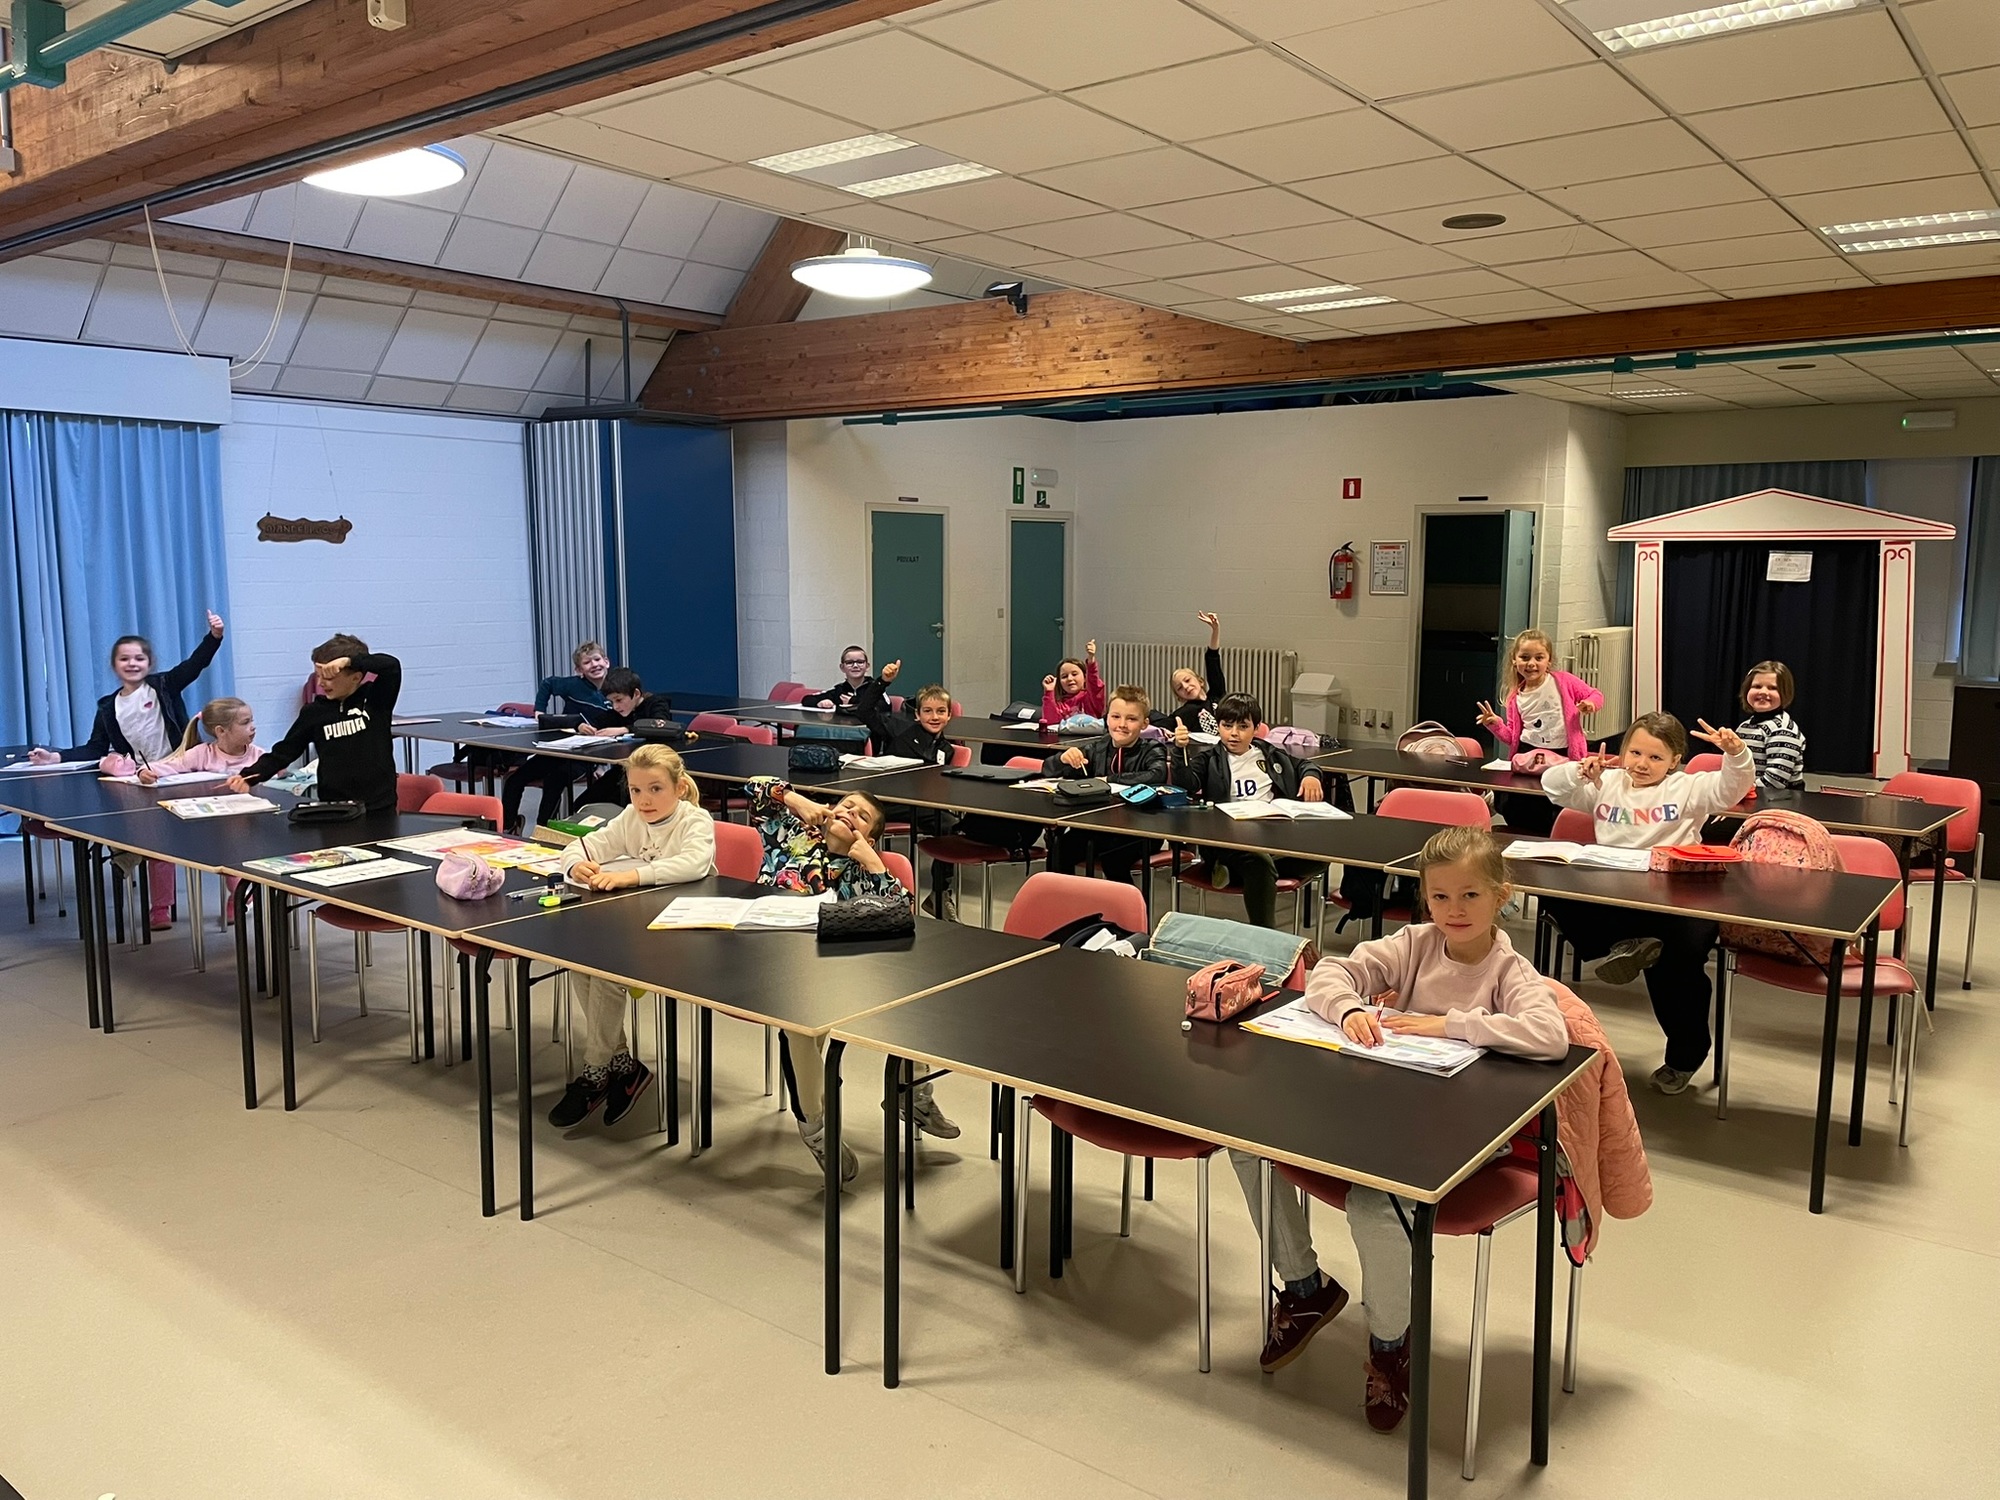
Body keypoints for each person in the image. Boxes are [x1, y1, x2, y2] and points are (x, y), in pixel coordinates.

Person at [1231, 825, 1567, 1431]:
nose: (1454, 910)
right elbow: (1331, 974)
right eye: (1440, 896)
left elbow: (1549, 1035)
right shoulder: (1414, 944)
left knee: (1373, 1204)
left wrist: (1452, 1024)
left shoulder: (1509, 971)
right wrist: (1349, 1009)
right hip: (1384, 1112)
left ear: (1501, 896)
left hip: (1460, 1132)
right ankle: (1305, 1289)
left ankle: (1390, 1346)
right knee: (1249, 1143)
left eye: (1470, 895)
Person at [741, 776, 956, 1177]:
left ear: (869, 838)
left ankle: (913, 1094)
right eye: (846, 805)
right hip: (774, 962)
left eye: (862, 816)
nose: (849, 813)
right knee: (799, 1029)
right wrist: (795, 799)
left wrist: (873, 862)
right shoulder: (789, 836)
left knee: (913, 996)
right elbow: (755, 787)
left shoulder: (863, 872)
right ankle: (816, 1129)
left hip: (839, 971)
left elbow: (902, 914)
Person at [1539, 711, 1755, 1094]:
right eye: (1635, 753)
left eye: (1655, 757)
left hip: (1678, 896)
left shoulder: (1687, 788)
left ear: (1674, 761)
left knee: (1677, 965)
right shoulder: (1606, 782)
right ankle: (1628, 945)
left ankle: (1684, 1059)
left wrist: (1736, 753)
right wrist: (1579, 771)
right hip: (1619, 894)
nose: (1642, 764)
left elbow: (1731, 788)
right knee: (1552, 889)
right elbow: (1552, 786)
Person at [547, 744, 716, 1130]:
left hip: (685, 937)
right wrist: (576, 865)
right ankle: (621, 1064)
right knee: (582, 960)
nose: (644, 800)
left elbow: (693, 864)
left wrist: (630, 875)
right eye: (636, 790)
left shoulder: (695, 820)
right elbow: (580, 845)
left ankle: (595, 1070)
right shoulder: (630, 818)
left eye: (656, 789)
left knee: (608, 968)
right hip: (637, 928)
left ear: (679, 788)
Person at [29, 611, 227, 930]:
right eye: (125, 659)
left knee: (222, 835)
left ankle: (235, 897)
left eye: (139, 658)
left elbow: (195, 664)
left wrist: (214, 637)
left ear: (149, 663)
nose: (132, 663)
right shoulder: (108, 707)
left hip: (185, 773)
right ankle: (160, 907)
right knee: (158, 842)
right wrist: (56, 756)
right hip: (149, 781)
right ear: (115, 665)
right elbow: (95, 748)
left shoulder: (164, 685)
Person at [1170, 693, 1333, 928]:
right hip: (1228, 839)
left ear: (1256, 728)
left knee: (1320, 858)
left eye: (1243, 727)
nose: (1234, 733)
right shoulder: (1210, 758)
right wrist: (1179, 751)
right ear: (1218, 727)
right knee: (1259, 862)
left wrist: (1311, 776)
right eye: (1227, 726)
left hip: (1270, 834)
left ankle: (1233, 873)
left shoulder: (1268, 752)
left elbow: (1304, 764)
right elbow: (1187, 784)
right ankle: (1264, 933)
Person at [227, 635, 401, 813]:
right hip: (335, 808)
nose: (320, 683)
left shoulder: (376, 700)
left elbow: (391, 666)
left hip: (379, 808)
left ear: (356, 677)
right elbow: (284, 752)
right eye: (318, 675)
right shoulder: (314, 712)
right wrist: (249, 776)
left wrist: (350, 661)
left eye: (329, 677)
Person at [853, 662, 973, 917]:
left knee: (949, 824)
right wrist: (883, 682)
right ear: (917, 714)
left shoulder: (946, 749)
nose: (934, 717)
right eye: (928, 711)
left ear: (949, 716)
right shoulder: (899, 729)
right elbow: (864, 710)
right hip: (887, 801)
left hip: (919, 805)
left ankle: (940, 894)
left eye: (941, 711)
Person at [1475, 628, 1602, 838]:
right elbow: (1512, 737)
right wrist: (1495, 724)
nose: (1531, 663)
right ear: (1514, 660)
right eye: (1525, 657)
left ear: (1548, 660)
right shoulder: (1515, 697)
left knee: (1555, 801)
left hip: (1562, 753)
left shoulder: (1564, 681)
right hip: (1529, 754)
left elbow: (1595, 694)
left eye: (1539, 658)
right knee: (1521, 803)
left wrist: (1590, 704)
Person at [1042, 685, 1167, 886]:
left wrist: (1108, 780)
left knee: (1113, 859)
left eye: (1131, 719)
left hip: (1141, 831)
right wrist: (1062, 759)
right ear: (1106, 718)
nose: (1122, 725)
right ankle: (1063, 900)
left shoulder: (1152, 749)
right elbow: (1048, 769)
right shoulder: (1097, 748)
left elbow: (1156, 774)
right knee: (1060, 848)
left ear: (1144, 724)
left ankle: (1128, 905)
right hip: (1098, 826)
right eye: (1116, 717)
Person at [502, 641, 616, 833]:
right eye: (587, 662)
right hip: (560, 748)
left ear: (606, 661)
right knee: (515, 779)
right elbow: (547, 684)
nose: (594, 665)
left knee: (554, 781)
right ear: (579, 670)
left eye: (597, 660)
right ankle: (509, 826)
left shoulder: (616, 688)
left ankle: (542, 830)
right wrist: (539, 711)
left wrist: (602, 765)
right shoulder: (572, 685)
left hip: (586, 756)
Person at [138, 697, 263, 782]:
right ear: (221, 731)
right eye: (245, 722)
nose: (253, 727)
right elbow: (166, 766)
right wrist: (144, 772)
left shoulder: (259, 756)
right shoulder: (201, 754)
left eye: (251, 721)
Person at [1735, 659, 1806, 791]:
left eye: (1773, 688)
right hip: (1749, 793)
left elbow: (1775, 782)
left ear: (1785, 693)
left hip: (1779, 798)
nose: (1763, 692)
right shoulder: (1745, 726)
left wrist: (1735, 791)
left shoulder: (1783, 730)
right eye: (1757, 686)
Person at [1166, 612, 1226, 734]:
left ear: (1200, 681)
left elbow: (1212, 660)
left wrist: (1215, 630)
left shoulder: (1217, 695)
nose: (1186, 687)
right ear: (1179, 697)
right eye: (1179, 688)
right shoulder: (1185, 713)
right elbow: (1162, 724)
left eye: (1187, 680)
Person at [1040, 639, 1104, 723]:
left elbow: (1094, 683)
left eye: (1074, 674)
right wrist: (1049, 691)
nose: (1069, 679)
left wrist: (1091, 660)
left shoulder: (1091, 699)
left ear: (1085, 677)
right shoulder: (1060, 704)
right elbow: (1050, 721)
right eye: (1064, 676)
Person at [800, 646, 879, 713]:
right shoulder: (840, 690)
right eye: (849, 662)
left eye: (860, 662)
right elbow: (807, 699)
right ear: (842, 667)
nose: (855, 666)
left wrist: (853, 700)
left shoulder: (876, 687)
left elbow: (882, 706)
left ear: (867, 666)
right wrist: (819, 703)